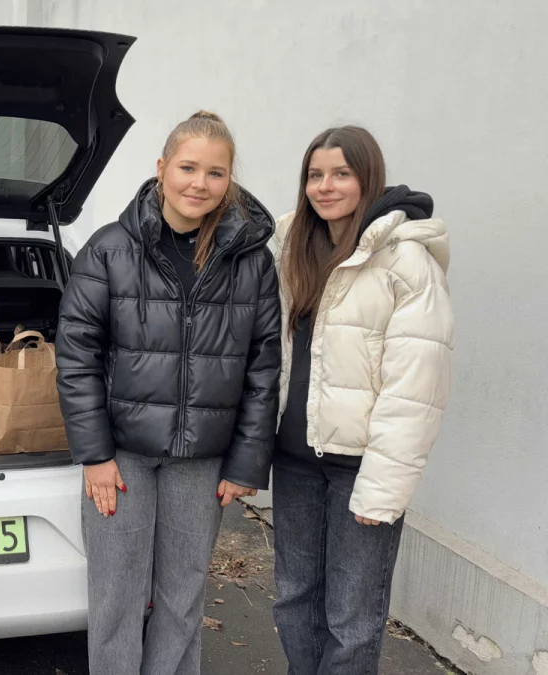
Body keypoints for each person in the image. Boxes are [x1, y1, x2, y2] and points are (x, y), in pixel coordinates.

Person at [56, 111, 282, 675]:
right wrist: (95, 455)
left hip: (202, 459)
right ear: (161, 168)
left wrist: (246, 461)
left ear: (229, 179)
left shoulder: (252, 262)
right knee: (117, 596)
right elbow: (77, 356)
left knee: (183, 599)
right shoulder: (109, 250)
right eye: (187, 167)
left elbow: (263, 365)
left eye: (215, 172)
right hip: (123, 457)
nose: (199, 183)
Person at [270, 126, 453, 675]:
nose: (325, 187)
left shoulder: (407, 262)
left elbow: (415, 389)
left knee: (351, 618)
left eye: (341, 174)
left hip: (360, 470)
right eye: (315, 175)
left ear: (367, 177)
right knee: (294, 600)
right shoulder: (292, 247)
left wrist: (382, 489)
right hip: (295, 461)